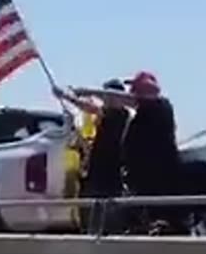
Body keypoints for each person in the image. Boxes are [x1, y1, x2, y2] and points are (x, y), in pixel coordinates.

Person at [57, 79, 131, 233]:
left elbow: (92, 108)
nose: (106, 100)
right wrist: (67, 97)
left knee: (107, 206)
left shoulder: (120, 114)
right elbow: (90, 109)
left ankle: (106, 233)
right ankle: (94, 233)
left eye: (108, 96)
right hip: (98, 168)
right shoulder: (108, 114)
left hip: (111, 170)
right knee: (92, 205)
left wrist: (70, 97)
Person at [119, 71, 183, 233]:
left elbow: (141, 101)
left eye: (135, 89)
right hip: (142, 180)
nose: (131, 93)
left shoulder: (160, 109)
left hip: (155, 180)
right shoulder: (148, 113)